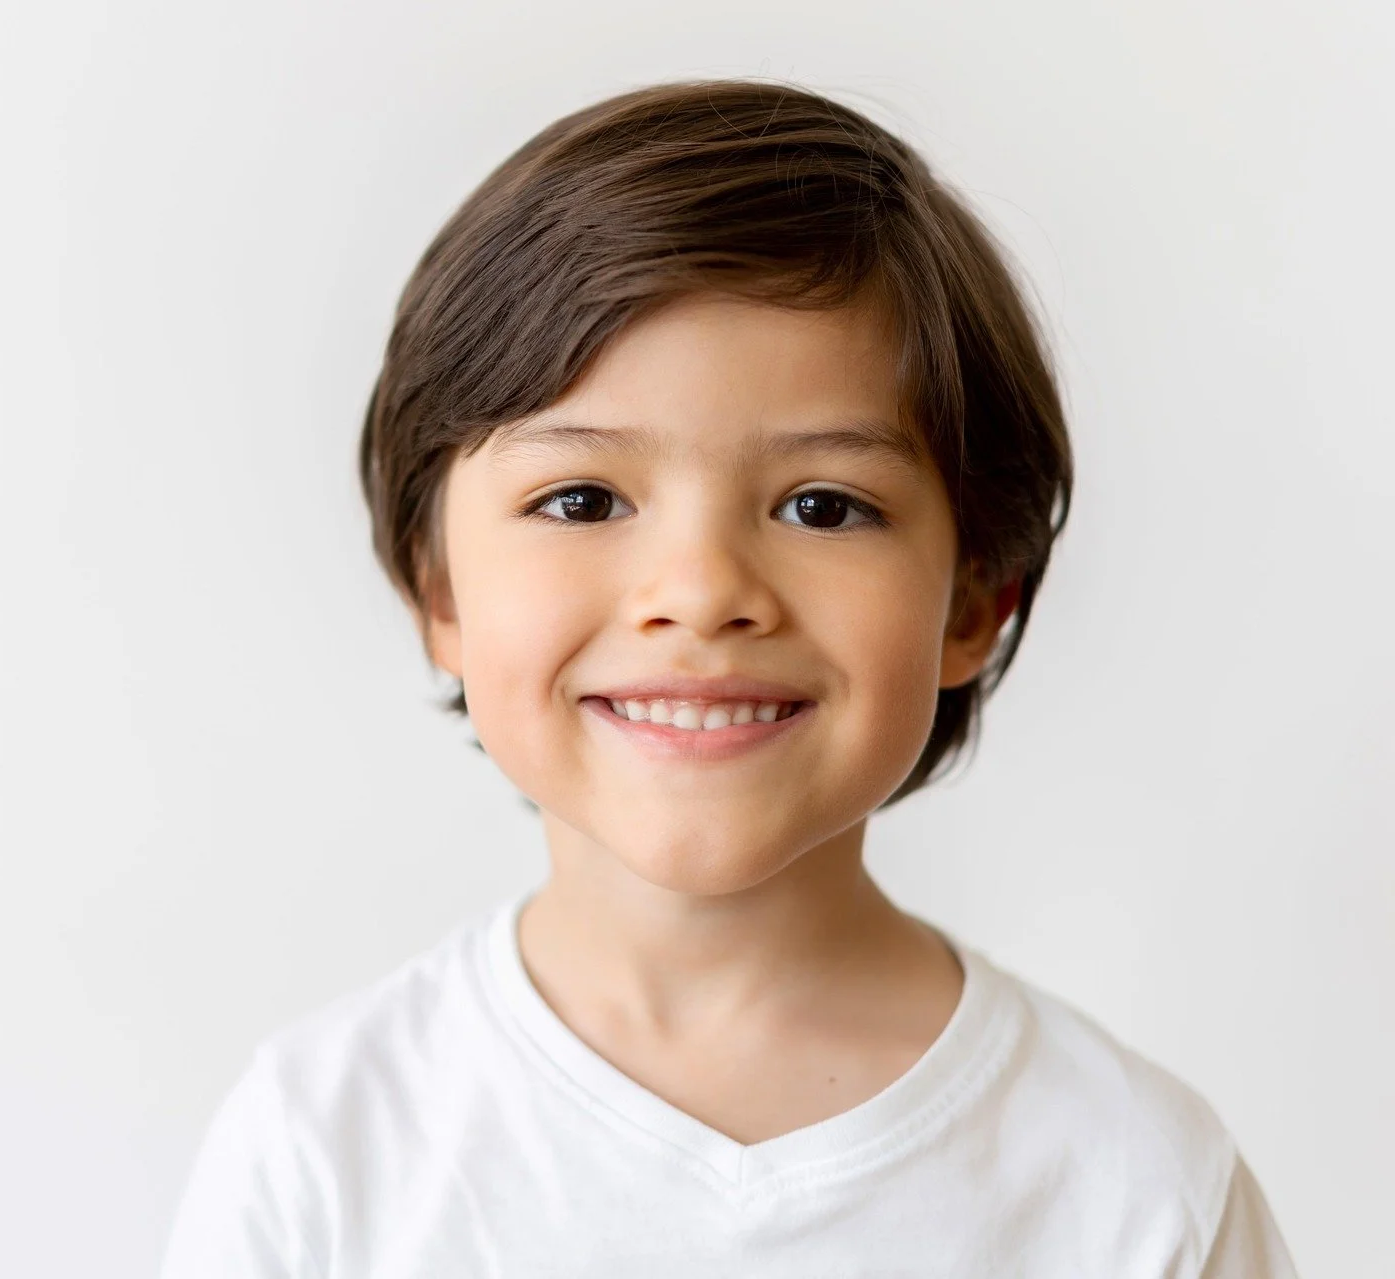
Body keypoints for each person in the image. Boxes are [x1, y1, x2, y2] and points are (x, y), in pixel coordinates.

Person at [156, 79, 1298, 1276]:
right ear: (440, 591)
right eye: (582, 499)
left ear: (974, 603)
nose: (701, 591)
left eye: (823, 505)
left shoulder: (1136, 1186)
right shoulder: (323, 1152)